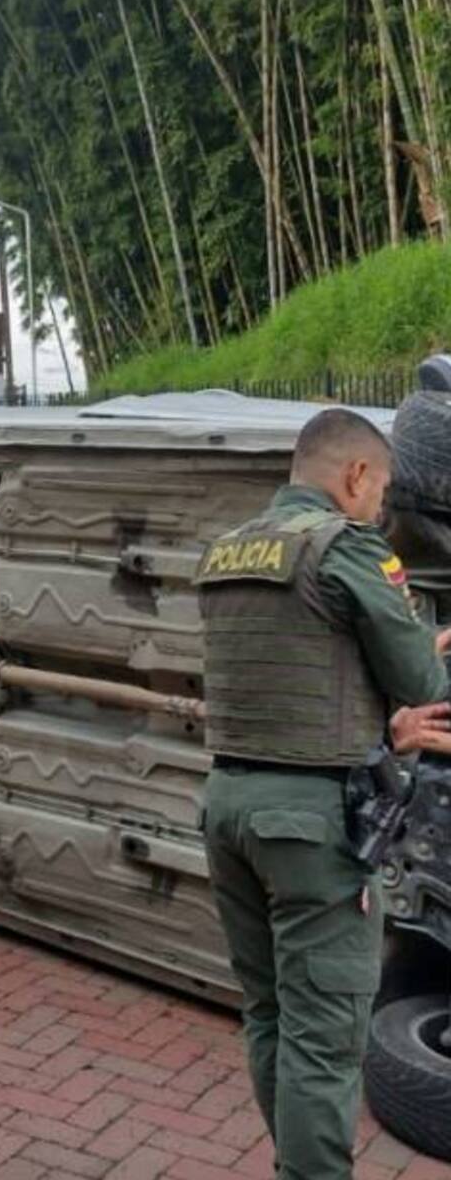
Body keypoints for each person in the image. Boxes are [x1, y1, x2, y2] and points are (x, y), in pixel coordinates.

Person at [195, 407, 451, 1180]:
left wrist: (384, 727)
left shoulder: (230, 548)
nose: (383, 509)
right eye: (382, 492)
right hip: (312, 828)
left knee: (271, 1016)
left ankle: (294, 1162)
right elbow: (423, 684)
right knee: (325, 1036)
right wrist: (412, 665)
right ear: (354, 476)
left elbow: (299, 675)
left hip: (229, 808)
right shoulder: (350, 549)